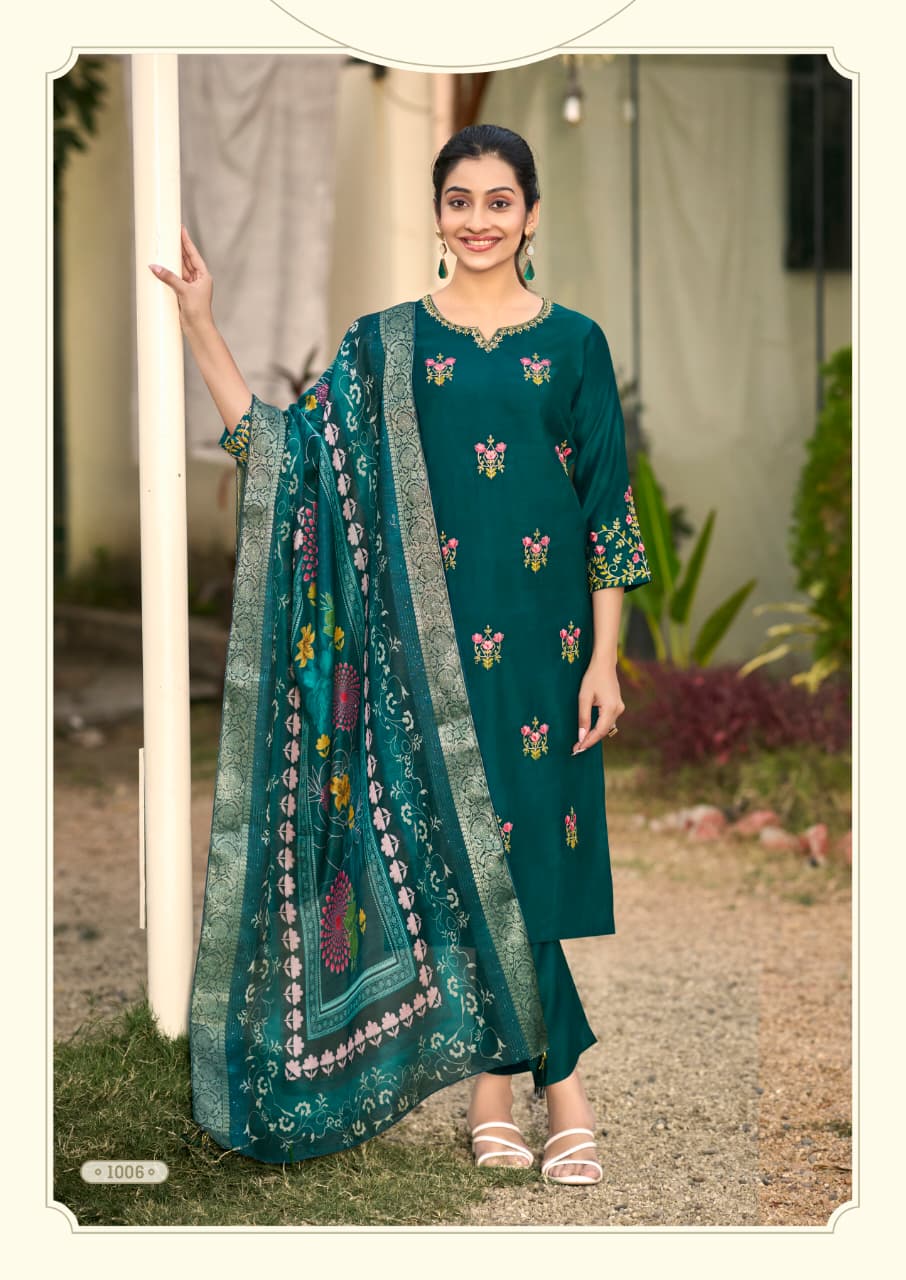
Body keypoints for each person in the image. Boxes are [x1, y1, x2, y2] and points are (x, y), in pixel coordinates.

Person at [151, 123, 652, 1187]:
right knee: (471, 855)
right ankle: (555, 1091)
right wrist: (201, 325)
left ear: (531, 213)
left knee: (526, 854)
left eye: (499, 201)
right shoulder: (384, 346)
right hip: (423, 648)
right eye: (460, 201)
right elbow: (287, 456)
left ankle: (500, 1092)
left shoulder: (576, 344)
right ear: (437, 214)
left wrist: (605, 660)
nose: (479, 220)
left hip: (548, 642)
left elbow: (608, 513)